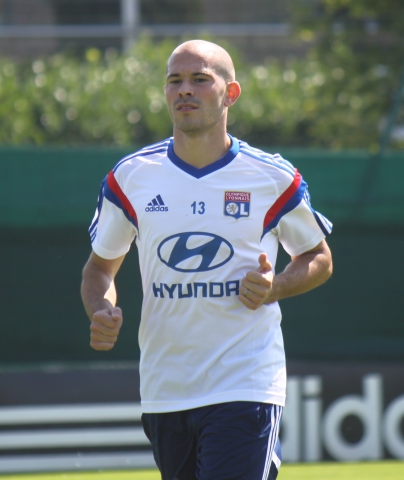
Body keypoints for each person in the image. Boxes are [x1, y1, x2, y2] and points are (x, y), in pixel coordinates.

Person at [81, 40, 333, 480]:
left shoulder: (271, 177)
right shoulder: (131, 177)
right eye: (174, 80)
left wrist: (274, 288)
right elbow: (99, 269)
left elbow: (319, 257)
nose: (184, 90)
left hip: (245, 383)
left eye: (200, 79)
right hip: (165, 391)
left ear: (230, 93)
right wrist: (101, 308)